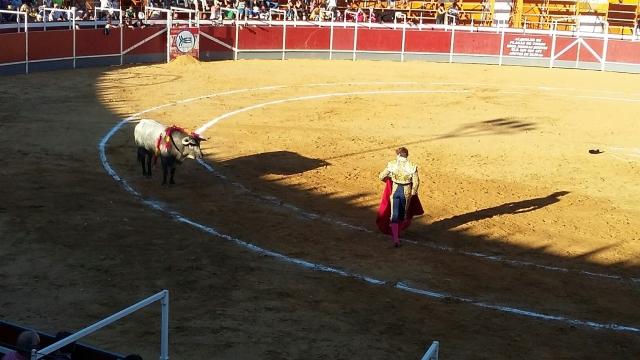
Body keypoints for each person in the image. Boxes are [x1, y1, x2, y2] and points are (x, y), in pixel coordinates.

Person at [376, 147, 423, 247]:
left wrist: (388, 180)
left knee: (394, 215)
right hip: (406, 192)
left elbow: (381, 176)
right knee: (403, 215)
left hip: (395, 191)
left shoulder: (392, 164)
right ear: (407, 155)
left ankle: (395, 239)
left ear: (398, 155)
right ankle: (398, 234)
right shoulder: (412, 166)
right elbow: (416, 182)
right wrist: (413, 193)